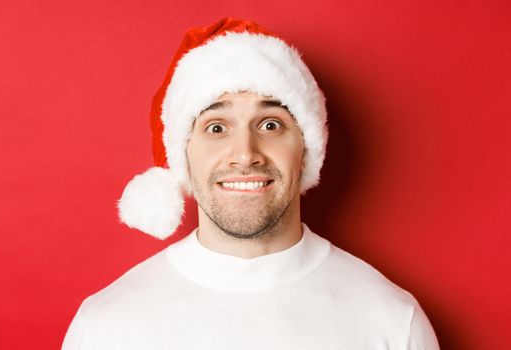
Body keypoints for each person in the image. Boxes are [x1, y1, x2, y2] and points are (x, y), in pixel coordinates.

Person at [62, 17, 440, 349]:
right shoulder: (106, 327)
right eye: (216, 128)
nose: (245, 154)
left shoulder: (392, 322)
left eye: (270, 125)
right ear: (182, 155)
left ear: (307, 149)